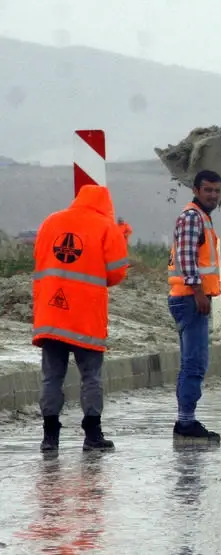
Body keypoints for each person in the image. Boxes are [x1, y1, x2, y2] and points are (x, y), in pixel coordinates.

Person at [31, 184, 133, 452]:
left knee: (51, 377)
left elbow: (40, 259)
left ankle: (50, 437)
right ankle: (92, 435)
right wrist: (120, 239)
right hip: (85, 317)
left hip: (51, 314)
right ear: (106, 205)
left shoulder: (51, 221)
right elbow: (116, 273)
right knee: (91, 377)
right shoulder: (105, 226)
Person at [167, 169, 221, 442]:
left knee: (192, 362)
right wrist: (199, 292)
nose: (213, 195)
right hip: (190, 299)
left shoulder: (202, 217)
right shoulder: (192, 217)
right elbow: (187, 257)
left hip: (190, 298)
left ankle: (185, 420)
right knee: (195, 363)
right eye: (208, 190)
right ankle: (186, 423)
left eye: (216, 190)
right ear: (196, 190)